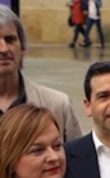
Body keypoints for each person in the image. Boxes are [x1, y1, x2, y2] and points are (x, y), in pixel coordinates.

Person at [0, 6, 83, 141]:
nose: (3, 49)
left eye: (10, 40)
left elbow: (77, 159)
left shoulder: (57, 105)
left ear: (22, 47)